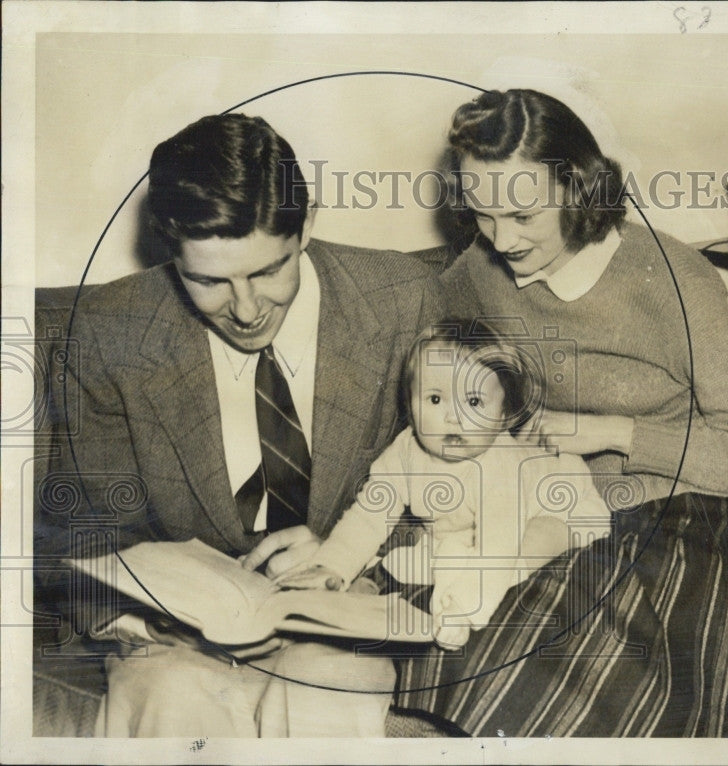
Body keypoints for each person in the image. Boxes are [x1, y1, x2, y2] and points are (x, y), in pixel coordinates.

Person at [386, 89, 728, 737]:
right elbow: (428, 366)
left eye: (523, 215)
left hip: (683, 512)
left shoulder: (672, 277)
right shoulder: (481, 270)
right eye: (482, 215)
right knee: (448, 655)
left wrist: (616, 433)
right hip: (547, 506)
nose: (502, 239)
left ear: (577, 187)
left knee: (558, 682)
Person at [42, 112, 441, 736]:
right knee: (169, 697)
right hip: (178, 643)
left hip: (347, 607)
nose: (248, 310)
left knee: (330, 688)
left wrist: (349, 557)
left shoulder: (401, 300)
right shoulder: (107, 333)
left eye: (267, 271)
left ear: (306, 227)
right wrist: (153, 620)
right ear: (170, 254)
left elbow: (461, 478)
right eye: (209, 281)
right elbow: (82, 528)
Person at [277, 318, 611, 650]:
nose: (453, 417)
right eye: (435, 400)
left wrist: (464, 609)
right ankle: (431, 567)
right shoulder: (407, 450)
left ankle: (458, 593)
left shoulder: (498, 463)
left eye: (474, 402)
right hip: (462, 532)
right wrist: (331, 565)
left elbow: (498, 546)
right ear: (410, 404)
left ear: (503, 414)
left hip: (565, 510)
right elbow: (369, 513)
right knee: (427, 554)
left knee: (532, 541)